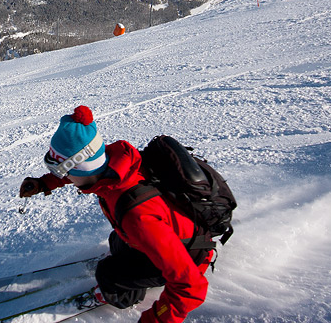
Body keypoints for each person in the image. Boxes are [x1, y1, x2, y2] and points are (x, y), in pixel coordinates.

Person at [19, 105, 213, 323]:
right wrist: (46, 182)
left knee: (108, 274)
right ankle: (126, 269)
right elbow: (83, 168)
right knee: (117, 240)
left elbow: (191, 286)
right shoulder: (116, 162)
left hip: (189, 254)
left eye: (61, 171)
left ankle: (121, 295)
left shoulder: (137, 217)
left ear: (79, 168)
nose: (62, 176)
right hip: (169, 232)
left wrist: (153, 320)